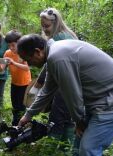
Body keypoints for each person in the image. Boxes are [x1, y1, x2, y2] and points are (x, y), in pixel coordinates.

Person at [17, 34, 113, 156]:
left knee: (89, 147)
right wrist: (28, 115)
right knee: (78, 147)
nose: (28, 64)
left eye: (27, 59)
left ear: (37, 51)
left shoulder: (58, 57)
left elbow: (73, 96)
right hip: (98, 102)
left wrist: (79, 121)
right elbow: (47, 90)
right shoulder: (55, 54)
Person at [35, 8, 78, 143]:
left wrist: (39, 82)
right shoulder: (67, 34)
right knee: (68, 118)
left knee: (56, 118)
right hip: (74, 82)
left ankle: (51, 153)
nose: (45, 29)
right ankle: (65, 150)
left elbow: (49, 65)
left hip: (65, 82)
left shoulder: (58, 38)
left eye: (47, 26)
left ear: (56, 23)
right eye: (42, 26)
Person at [3, 30, 31, 126]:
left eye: (13, 45)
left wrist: (13, 62)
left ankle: (21, 126)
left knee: (22, 107)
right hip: (14, 83)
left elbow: (27, 68)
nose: (11, 48)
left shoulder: (24, 52)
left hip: (25, 84)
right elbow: (2, 69)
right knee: (15, 106)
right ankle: (15, 126)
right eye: (9, 45)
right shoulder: (7, 53)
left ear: (19, 43)